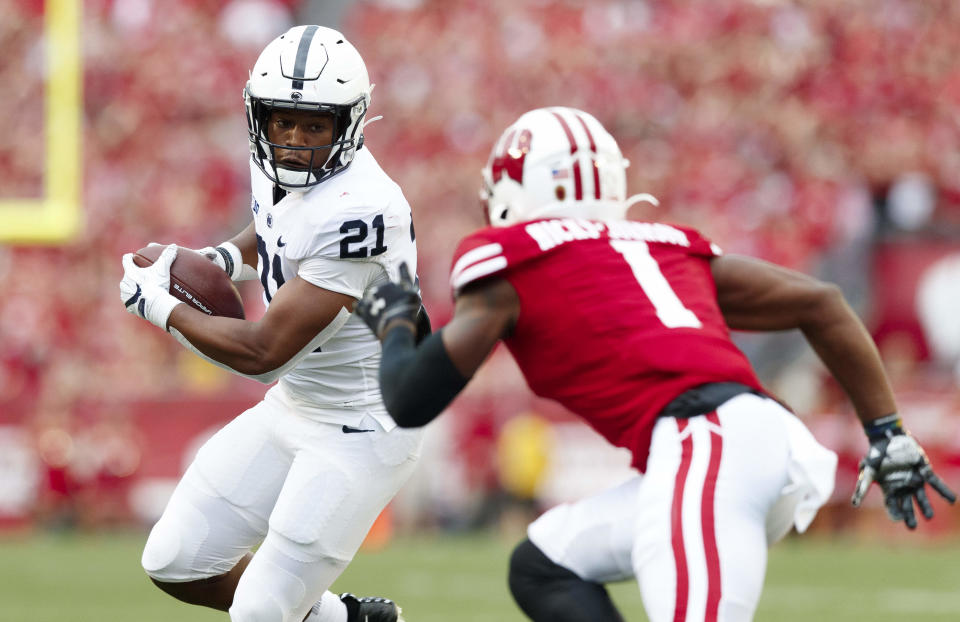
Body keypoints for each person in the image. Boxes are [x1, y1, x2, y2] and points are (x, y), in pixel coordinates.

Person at [354, 107, 957, 622]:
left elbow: (410, 399)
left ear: (509, 195)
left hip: (707, 444)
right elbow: (821, 303)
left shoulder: (513, 261)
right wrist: (889, 434)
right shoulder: (663, 246)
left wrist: (394, 321)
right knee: (544, 564)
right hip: (745, 445)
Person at [118, 25, 426, 622]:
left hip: (363, 424)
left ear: (351, 123)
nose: (293, 140)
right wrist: (225, 259)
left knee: (261, 611)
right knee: (177, 560)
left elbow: (266, 353)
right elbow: (277, 231)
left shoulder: (365, 210)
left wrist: (158, 305)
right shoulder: (277, 165)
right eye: (282, 120)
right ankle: (345, 620)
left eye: (315, 125)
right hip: (301, 404)